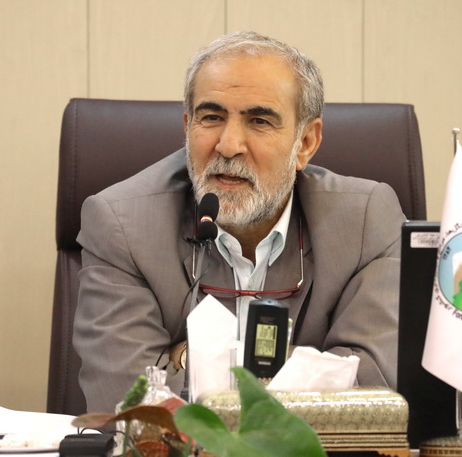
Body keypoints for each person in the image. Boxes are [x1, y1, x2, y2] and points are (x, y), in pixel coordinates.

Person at [73, 31, 405, 414]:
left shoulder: (365, 220)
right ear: (187, 127)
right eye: (212, 117)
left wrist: (191, 359)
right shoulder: (121, 223)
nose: (228, 145)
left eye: (259, 121)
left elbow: (372, 390)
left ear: (306, 143)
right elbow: (129, 402)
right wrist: (310, 368)